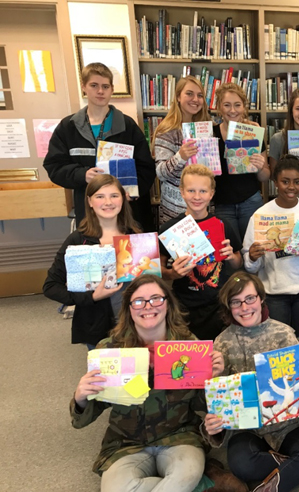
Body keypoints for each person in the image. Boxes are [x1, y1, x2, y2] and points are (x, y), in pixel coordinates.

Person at [70, 275, 244, 492]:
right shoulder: (110, 349)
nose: (148, 306)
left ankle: (189, 483)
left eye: (156, 299)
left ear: (168, 304)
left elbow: (202, 406)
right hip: (126, 443)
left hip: (179, 437)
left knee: (186, 473)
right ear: (128, 308)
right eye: (138, 301)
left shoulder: (189, 346)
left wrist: (212, 380)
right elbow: (86, 416)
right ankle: (200, 486)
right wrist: (81, 399)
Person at [204, 272, 299, 492]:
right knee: (241, 465)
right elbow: (218, 398)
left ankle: (289, 473)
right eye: (236, 302)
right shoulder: (222, 342)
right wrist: (214, 421)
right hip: (247, 429)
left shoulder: (283, 334)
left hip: (286, 425)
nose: (244, 307)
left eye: (250, 298)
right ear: (228, 306)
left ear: (261, 298)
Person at [44, 62, 155, 231]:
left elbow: (146, 167)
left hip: (125, 213)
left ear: (112, 89)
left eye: (105, 86)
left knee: (124, 247)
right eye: (94, 85)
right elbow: (54, 166)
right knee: (93, 246)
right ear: (84, 87)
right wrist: (83, 175)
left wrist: (132, 191)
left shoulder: (128, 126)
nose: (100, 91)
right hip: (88, 213)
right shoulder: (68, 127)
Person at [43, 174, 138, 349]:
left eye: (114, 195)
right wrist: (92, 297)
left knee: (139, 366)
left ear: (123, 198)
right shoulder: (78, 240)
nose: (108, 202)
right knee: (104, 366)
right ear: (90, 201)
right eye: (100, 196)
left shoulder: (136, 236)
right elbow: (51, 286)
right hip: (97, 326)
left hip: (135, 323)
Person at [243, 156, 299, 344]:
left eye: (297, 182)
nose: (291, 187)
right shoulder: (260, 215)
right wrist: (252, 258)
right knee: (277, 346)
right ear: (275, 182)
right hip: (274, 292)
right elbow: (250, 265)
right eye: (285, 181)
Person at [159, 164, 243, 341]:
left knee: (219, 351)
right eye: (191, 190)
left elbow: (238, 263)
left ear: (211, 194)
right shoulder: (169, 229)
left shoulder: (223, 225)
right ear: (182, 192)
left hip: (219, 304)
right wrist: (173, 273)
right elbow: (158, 271)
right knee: (190, 352)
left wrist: (231, 256)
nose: (197, 197)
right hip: (184, 306)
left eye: (203, 191)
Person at [212, 83, 269, 241]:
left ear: (244, 107)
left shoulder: (253, 132)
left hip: (250, 201)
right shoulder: (211, 134)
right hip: (223, 204)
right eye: (227, 105)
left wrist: (260, 167)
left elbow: (265, 176)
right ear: (219, 107)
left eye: (237, 105)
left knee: (254, 248)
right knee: (230, 250)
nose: (232, 110)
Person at [153, 75, 211, 224]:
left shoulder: (206, 128)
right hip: (175, 212)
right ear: (178, 97)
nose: (195, 99)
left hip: (203, 209)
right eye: (189, 94)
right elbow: (160, 173)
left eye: (200, 95)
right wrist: (181, 156)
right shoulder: (167, 131)